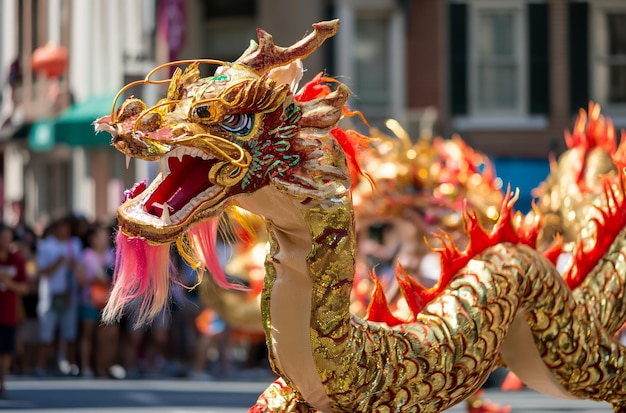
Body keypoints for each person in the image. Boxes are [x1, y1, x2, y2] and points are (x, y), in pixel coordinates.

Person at [35, 217, 81, 376]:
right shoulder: (46, 245)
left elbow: (79, 269)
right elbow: (41, 271)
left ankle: (70, 364)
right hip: (50, 295)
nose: (65, 231)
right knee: (46, 334)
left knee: (69, 334)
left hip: (69, 294)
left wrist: (74, 265)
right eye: (61, 227)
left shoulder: (74, 244)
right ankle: (41, 366)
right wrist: (57, 263)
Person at [75, 223, 115, 377]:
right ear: (92, 239)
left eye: (106, 236)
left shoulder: (111, 254)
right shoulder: (86, 255)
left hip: (107, 301)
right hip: (89, 300)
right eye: (101, 236)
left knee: (105, 337)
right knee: (87, 335)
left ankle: (102, 368)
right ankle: (85, 367)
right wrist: (94, 279)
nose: (104, 239)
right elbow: (79, 280)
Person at [0, 224, 28, 398]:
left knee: (7, 350)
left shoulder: (17, 259)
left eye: (9, 236)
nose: (6, 240)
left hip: (9, 312)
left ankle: (2, 382)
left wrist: (9, 283)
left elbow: (25, 287)